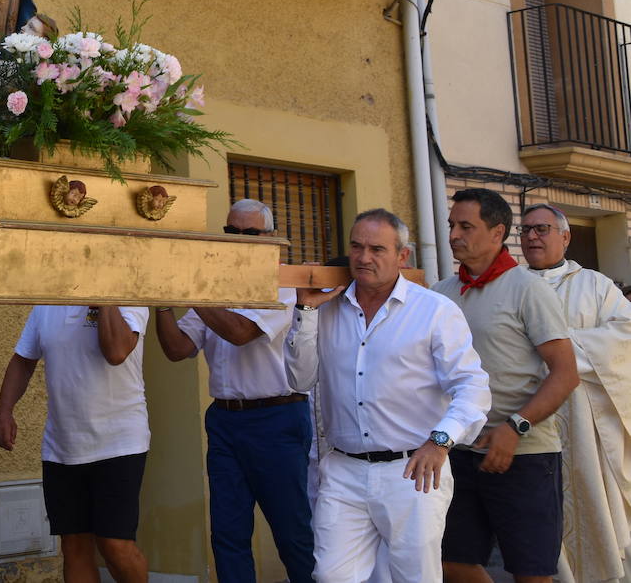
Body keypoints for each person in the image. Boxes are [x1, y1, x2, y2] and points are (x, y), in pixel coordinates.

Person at [287, 209, 491, 582]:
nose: (364, 258)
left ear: (403, 256)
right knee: (332, 576)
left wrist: (440, 441)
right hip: (344, 468)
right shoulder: (327, 308)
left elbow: (472, 386)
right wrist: (305, 311)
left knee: (414, 576)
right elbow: (300, 380)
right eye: (357, 247)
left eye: (377, 249)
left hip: (413, 470)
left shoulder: (434, 310)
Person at [154, 199, 314, 583]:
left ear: (271, 238)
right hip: (225, 419)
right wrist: (160, 300)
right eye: (232, 233)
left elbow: (240, 333)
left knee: (293, 532)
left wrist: (191, 290)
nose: (240, 240)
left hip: (276, 418)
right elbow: (178, 349)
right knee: (227, 533)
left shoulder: (283, 285)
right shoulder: (215, 287)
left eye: (250, 233)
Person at [434, 188, 580, 583]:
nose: (453, 235)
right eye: (451, 225)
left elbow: (566, 373)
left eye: (466, 226)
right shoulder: (441, 294)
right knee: (452, 564)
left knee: (531, 573)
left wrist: (515, 427)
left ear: (497, 232)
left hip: (526, 454)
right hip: (458, 451)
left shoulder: (528, 289)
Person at [0, 302, 150, 582]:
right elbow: (24, 359)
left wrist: (103, 299)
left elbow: (116, 352)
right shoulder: (46, 303)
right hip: (62, 447)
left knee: (115, 544)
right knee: (74, 546)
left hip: (118, 443)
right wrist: (4, 411)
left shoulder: (127, 297)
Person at [518, 203, 631, 583]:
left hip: (583, 418)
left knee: (590, 501)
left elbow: (624, 336)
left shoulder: (595, 285)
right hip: (527, 417)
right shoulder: (509, 287)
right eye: (527, 230)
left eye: (542, 229)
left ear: (565, 237)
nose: (532, 236)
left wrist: (560, 356)